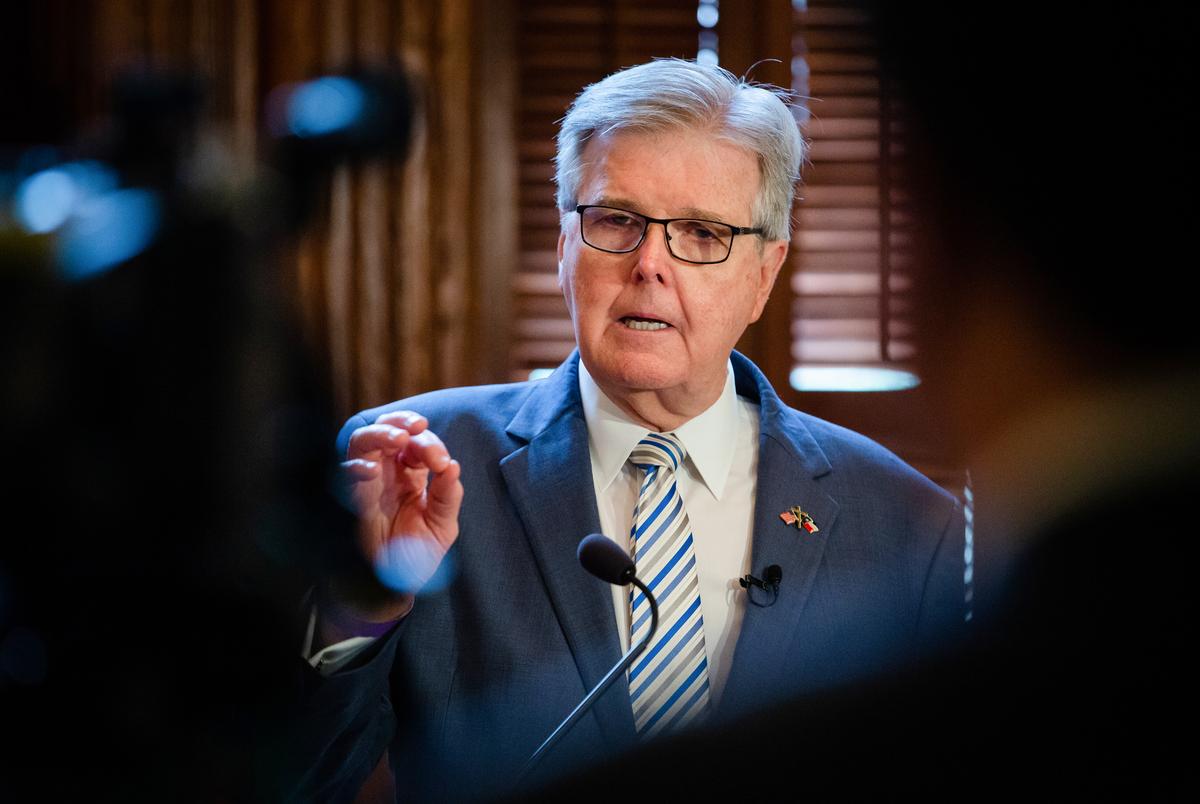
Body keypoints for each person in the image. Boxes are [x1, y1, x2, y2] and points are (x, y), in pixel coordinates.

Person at [305, 58, 966, 801]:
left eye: (702, 232)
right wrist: (361, 605)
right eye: (616, 220)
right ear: (564, 246)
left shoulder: (906, 525)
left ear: (764, 275)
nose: (650, 265)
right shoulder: (412, 470)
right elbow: (292, 779)